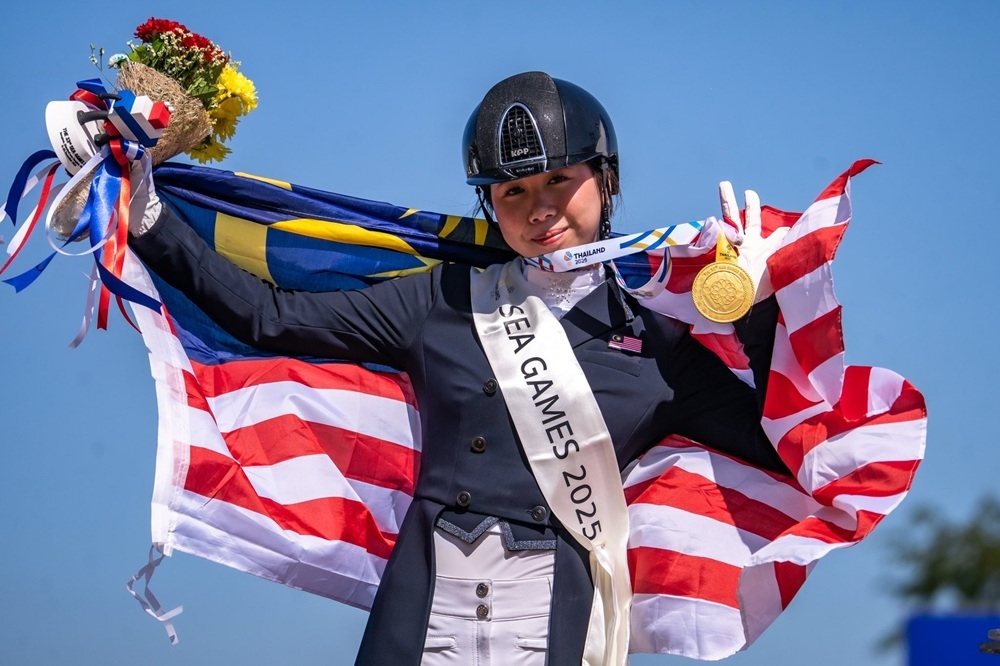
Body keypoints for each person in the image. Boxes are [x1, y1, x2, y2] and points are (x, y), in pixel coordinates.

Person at [127, 71, 787, 666]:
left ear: (606, 176)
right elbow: (269, 317)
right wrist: (146, 216)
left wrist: (760, 313)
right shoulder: (441, 300)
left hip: (551, 624)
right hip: (423, 614)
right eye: (513, 190)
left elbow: (780, 447)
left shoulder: (658, 345)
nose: (539, 209)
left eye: (560, 179)